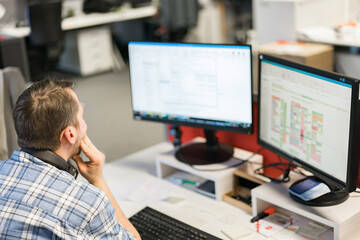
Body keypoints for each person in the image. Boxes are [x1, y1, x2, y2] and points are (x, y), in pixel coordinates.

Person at [0, 79, 141, 240]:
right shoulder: (88, 204)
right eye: (81, 116)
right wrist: (98, 180)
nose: (84, 125)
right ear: (70, 134)